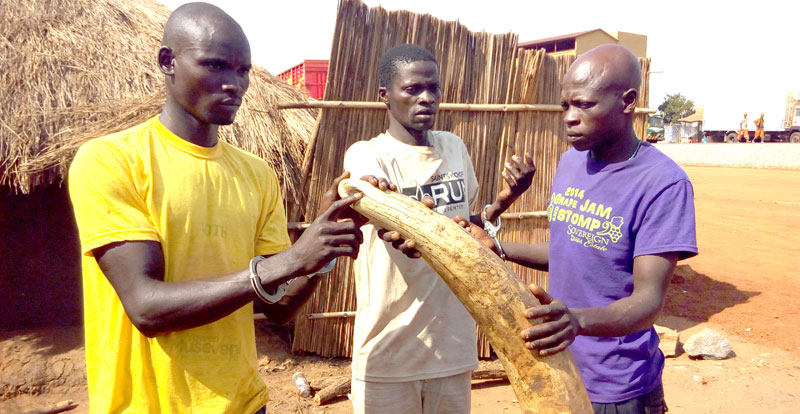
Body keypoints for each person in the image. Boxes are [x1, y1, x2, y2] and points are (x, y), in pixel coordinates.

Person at [68, 3, 366, 413]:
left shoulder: (256, 174)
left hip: (245, 404)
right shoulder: (111, 160)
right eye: (215, 66)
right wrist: (291, 258)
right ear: (166, 61)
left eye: (242, 71)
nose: (234, 84)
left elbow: (277, 308)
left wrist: (320, 252)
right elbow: (146, 307)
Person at [460, 44, 697, 414]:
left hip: (619, 388)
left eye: (584, 105)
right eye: (565, 106)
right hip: (561, 369)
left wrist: (577, 321)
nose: (569, 117)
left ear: (628, 101)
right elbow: (567, 249)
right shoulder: (571, 162)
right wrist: (498, 247)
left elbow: (648, 302)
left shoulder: (663, 183)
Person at [341, 43, 535, 414]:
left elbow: (467, 224)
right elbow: (380, 207)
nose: (426, 98)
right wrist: (395, 222)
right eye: (413, 89)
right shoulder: (368, 155)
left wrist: (506, 199)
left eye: (434, 89)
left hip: (451, 346)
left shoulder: (454, 147)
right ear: (385, 95)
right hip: (388, 350)